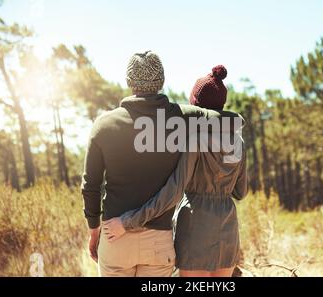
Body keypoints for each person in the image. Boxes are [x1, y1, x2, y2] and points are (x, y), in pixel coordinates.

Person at [81, 51, 241, 277]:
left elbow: (90, 186)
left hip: (114, 236)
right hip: (159, 242)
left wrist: (94, 231)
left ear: (128, 81)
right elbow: (220, 118)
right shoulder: (179, 117)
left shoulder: (103, 124)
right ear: (162, 81)